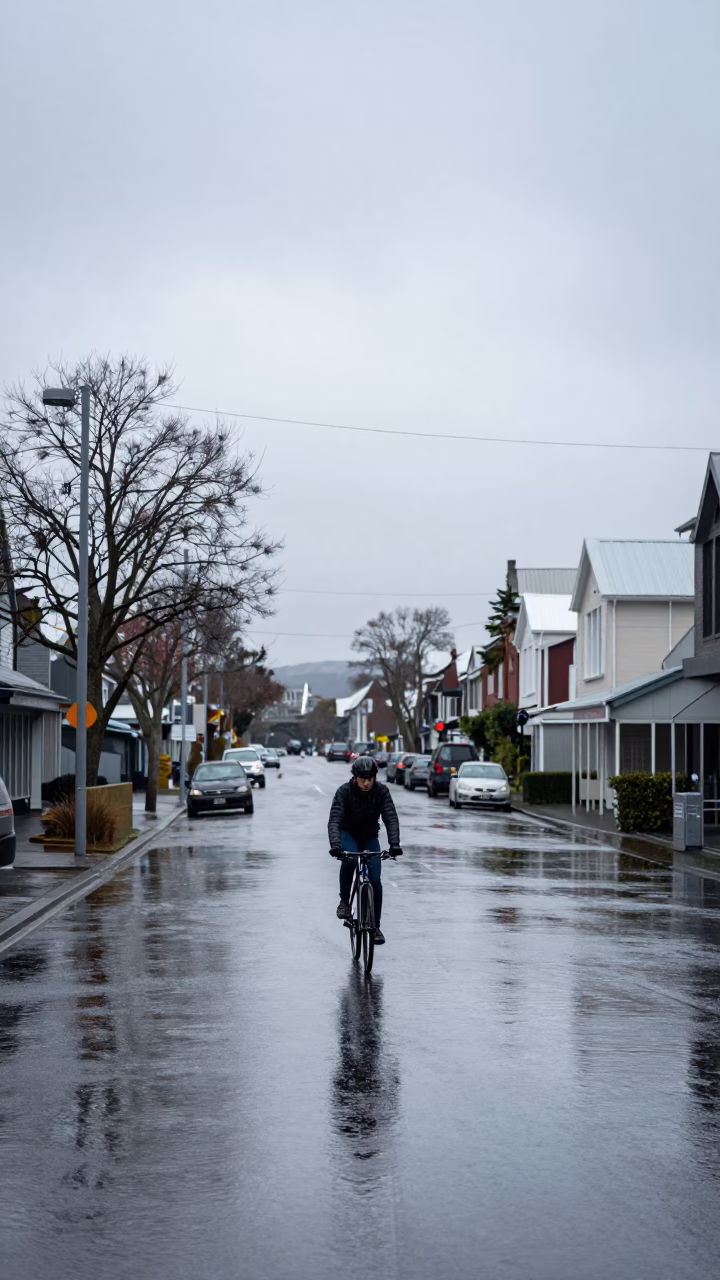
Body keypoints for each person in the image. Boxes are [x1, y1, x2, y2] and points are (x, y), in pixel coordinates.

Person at [328, 755, 403, 945]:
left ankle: (375, 927)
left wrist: (394, 845)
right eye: (363, 780)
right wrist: (336, 846)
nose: (367, 783)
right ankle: (344, 902)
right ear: (355, 778)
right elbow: (335, 819)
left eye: (370, 779)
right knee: (351, 860)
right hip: (348, 834)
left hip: (369, 836)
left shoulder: (381, 791)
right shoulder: (344, 792)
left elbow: (390, 818)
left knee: (375, 879)